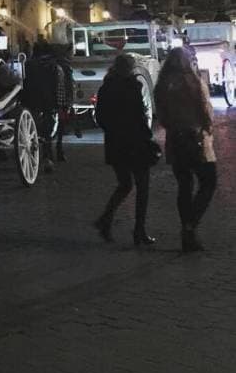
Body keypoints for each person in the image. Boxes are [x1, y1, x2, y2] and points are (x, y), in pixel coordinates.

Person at [154, 47, 217, 252]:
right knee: (208, 181)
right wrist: (207, 128)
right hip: (195, 137)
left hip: (175, 138)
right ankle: (190, 226)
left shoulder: (162, 85)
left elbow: (161, 114)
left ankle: (187, 229)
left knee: (184, 185)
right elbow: (205, 109)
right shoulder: (192, 82)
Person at [93, 54, 157, 246]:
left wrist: (113, 131)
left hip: (115, 144)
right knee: (142, 187)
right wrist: (147, 138)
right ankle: (139, 230)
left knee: (125, 184)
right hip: (135, 143)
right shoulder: (132, 86)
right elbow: (140, 116)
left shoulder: (106, 87)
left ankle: (105, 219)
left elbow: (100, 118)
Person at [21, 40, 61, 173]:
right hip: (48, 101)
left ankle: (35, 150)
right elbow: (57, 86)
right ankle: (47, 156)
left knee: (33, 128)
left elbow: (23, 83)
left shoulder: (28, 65)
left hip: (31, 101)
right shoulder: (53, 66)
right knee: (47, 131)